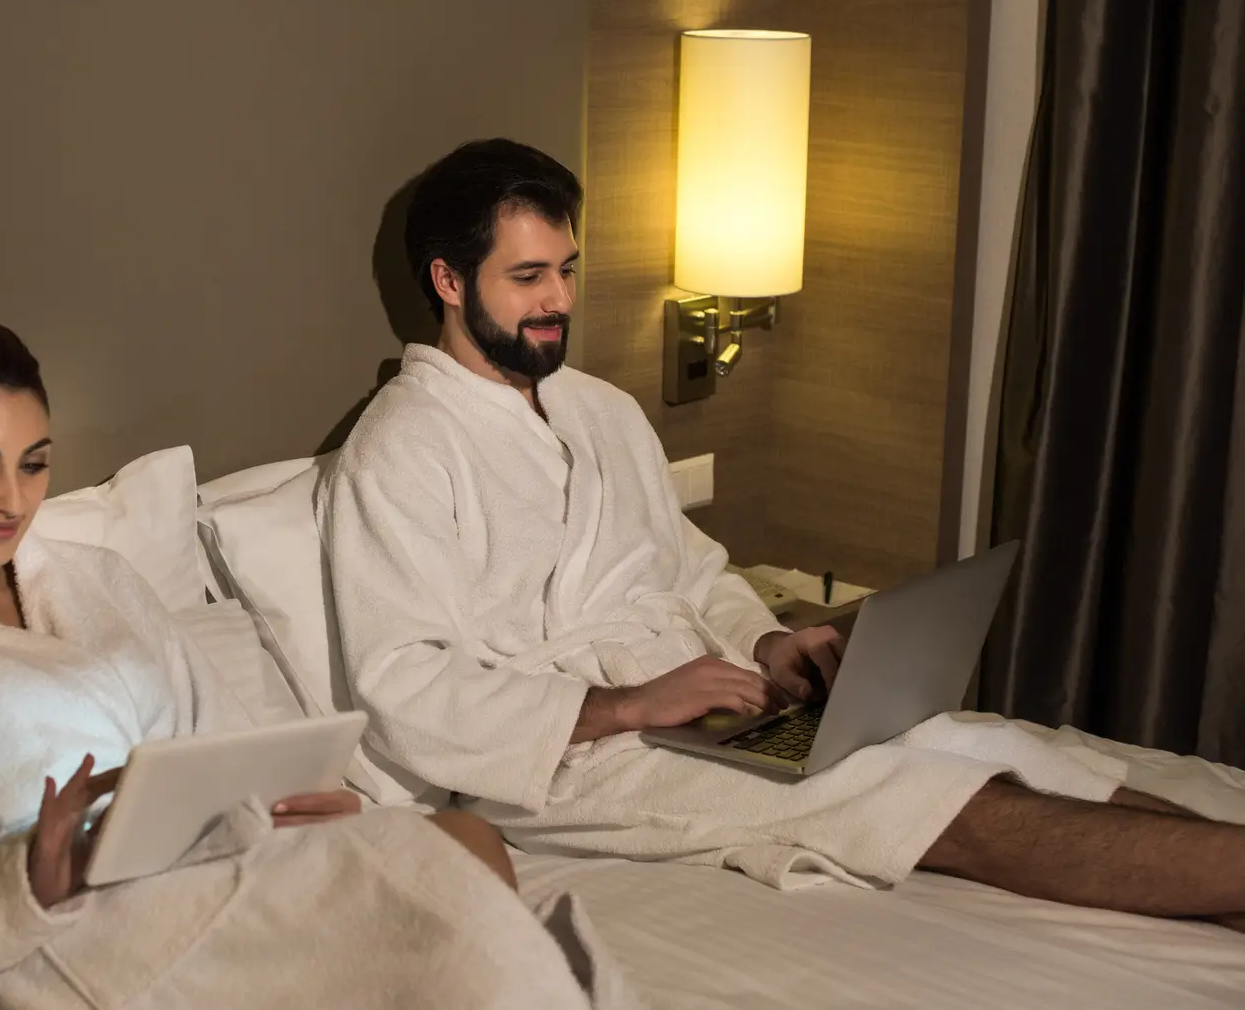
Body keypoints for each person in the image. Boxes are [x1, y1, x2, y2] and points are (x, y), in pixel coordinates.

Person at [316, 138, 1245, 930]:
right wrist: (626, 706)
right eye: (527, 278)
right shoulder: (399, 451)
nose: (557, 298)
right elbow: (405, 685)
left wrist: (766, 640)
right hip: (574, 762)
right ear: (447, 279)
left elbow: (689, 565)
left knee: (1001, 752)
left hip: (699, 708)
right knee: (917, 799)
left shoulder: (596, 408)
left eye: (566, 269)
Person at [0, 300, 638, 1010]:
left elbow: (213, 735)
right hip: (55, 927)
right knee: (442, 920)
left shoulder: (95, 581)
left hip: (208, 857)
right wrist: (24, 877)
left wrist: (278, 797)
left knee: (464, 842)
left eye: (33, 465)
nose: (13, 500)